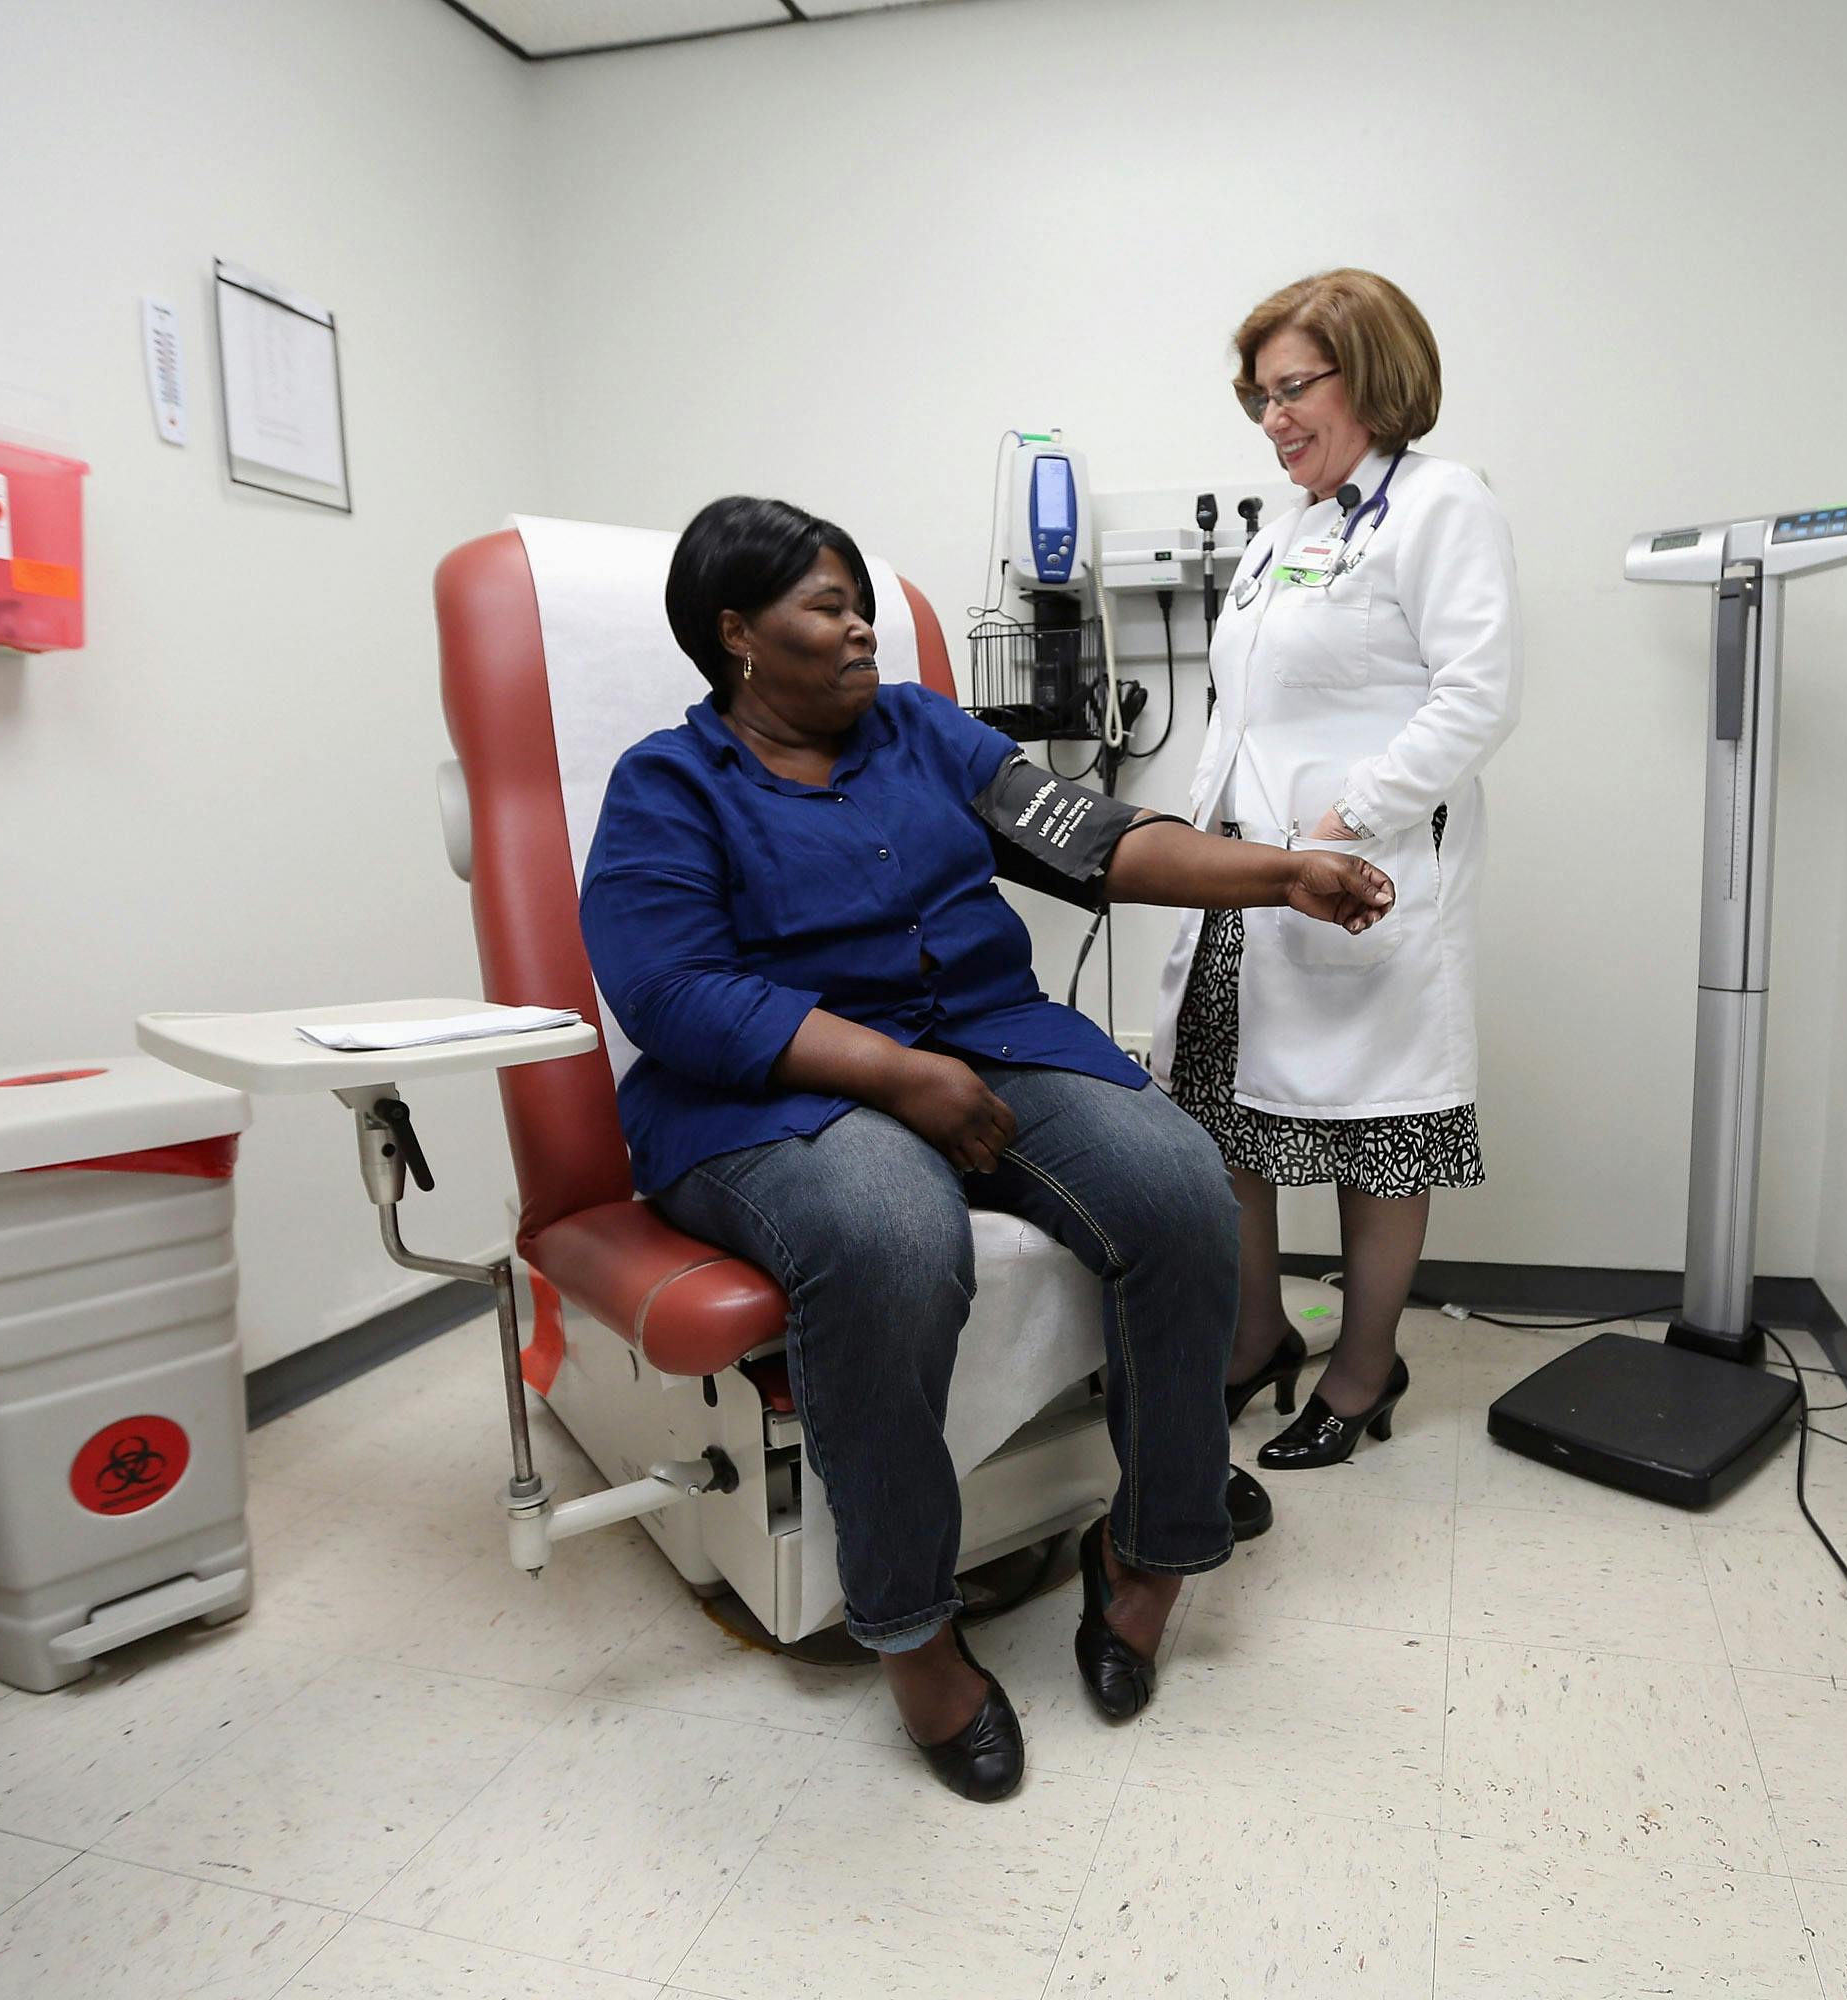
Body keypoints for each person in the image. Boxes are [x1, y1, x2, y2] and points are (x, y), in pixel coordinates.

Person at [578, 495, 1394, 1803]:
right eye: (827, 608)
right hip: (771, 1094)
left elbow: (1094, 838)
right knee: (891, 1237)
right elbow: (672, 993)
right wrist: (895, 1074)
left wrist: (1277, 872)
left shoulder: (924, 734)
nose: (861, 632)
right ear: (737, 635)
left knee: (1181, 1187)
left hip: (992, 1040)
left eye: (861, 604)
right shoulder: (667, 787)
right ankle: (909, 1628)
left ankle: (1150, 1554)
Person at [1156, 268, 1522, 1471]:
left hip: (1359, 878)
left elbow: (1478, 695)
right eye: (1258, 397)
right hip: (1249, 874)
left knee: (1377, 1131)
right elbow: (1242, 708)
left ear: (1369, 373)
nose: (1273, 420)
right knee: (1225, 1117)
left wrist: (1346, 818)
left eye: (1292, 388)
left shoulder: (1439, 503)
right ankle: (1256, 1331)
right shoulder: (1291, 529)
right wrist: (1205, 837)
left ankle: (1364, 1369)